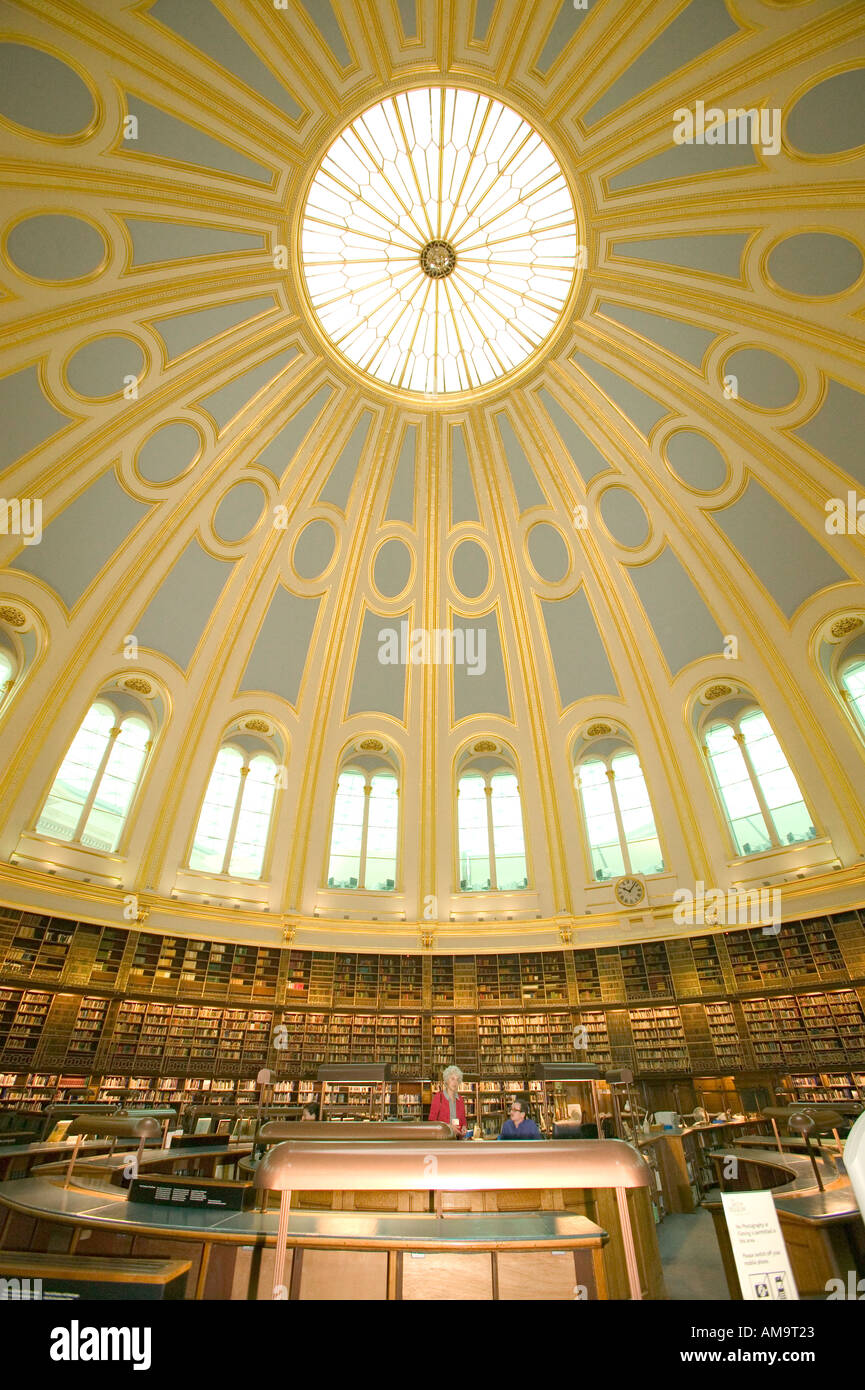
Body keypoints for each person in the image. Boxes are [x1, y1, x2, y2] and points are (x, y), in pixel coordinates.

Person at [428, 1065, 466, 1136]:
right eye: (452, 1079)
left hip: (458, 1140)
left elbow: (463, 1120)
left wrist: (464, 1127)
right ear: (446, 1080)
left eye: (457, 1080)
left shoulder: (460, 1099)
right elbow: (432, 1123)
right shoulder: (438, 1098)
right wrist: (448, 1127)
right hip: (443, 1141)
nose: (455, 1082)